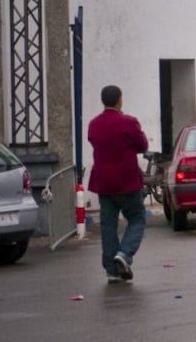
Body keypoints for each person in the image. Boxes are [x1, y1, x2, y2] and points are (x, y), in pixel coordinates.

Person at [87, 84, 149, 283]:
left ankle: (111, 270)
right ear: (119, 100)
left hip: (103, 183)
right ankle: (124, 254)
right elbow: (143, 145)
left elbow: (94, 142)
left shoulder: (93, 124)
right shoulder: (129, 122)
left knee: (108, 225)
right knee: (137, 217)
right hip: (127, 181)